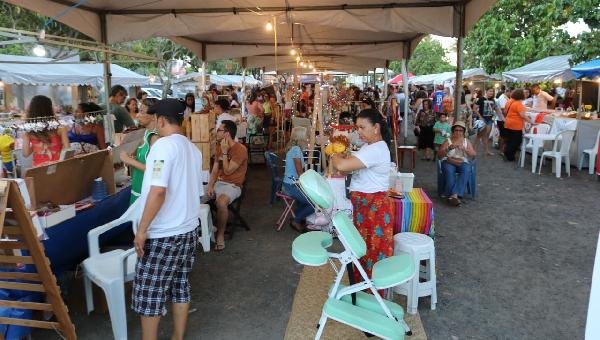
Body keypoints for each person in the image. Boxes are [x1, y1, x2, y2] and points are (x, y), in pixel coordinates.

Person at [132, 98, 203, 340]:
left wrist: (142, 230)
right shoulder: (192, 149)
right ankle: (177, 337)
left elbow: (158, 191)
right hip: (188, 229)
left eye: (154, 119)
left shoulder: (162, 147)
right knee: (180, 285)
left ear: (161, 120)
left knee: (150, 293)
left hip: (164, 233)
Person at [331, 108, 394, 282]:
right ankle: (363, 290)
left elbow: (342, 166)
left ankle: (371, 295)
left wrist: (334, 150)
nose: (358, 131)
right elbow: (348, 166)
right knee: (363, 252)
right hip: (367, 209)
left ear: (376, 128)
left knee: (372, 254)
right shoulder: (370, 146)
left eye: (361, 127)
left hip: (374, 210)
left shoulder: (377, 149)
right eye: (357, 127)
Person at [207, 120, 248, 251]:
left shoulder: (240, 149)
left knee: (221, 202)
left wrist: (224, 153)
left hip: (233, 185)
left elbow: (228, 170)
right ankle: (207, 228)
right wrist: (210, 185)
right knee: (195, 196)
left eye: (219, 130)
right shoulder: (220, 147)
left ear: (226, 134)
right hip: (219, 182)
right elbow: (214, 170)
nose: (216, 131)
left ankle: (220, 235)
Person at [121, 98, 160, 205]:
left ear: (153, 116)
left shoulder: (155, 138)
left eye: (142, 111)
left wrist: (129, 161)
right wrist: (135, 159)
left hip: (146, 194)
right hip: (138, 189)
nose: (137, 115)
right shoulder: (147, 133)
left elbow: (155, 172)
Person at [22, 95, 70, 167]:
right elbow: (67, 150)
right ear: (49, 109)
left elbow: (25, 154)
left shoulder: (28, 130)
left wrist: (38, 144)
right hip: (57, 168)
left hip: (38, 170)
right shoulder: (60, 127)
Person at [437, 121, 476, 206]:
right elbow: (439, 156)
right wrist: (448, 149)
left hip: (462, 162)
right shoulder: (448, 141)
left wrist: (465, 149)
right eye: (456, 130)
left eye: (460, 130)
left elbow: (473, 155)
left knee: (466, 170)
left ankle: (453, 195)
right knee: (449, 171)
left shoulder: (466, 141)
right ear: (453, 131)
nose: (458, 132)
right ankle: (455, 196)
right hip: (449, 161)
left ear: (464, 131)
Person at [282, 127, 313, 232]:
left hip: (290, 184)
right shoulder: (296, 150)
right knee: (314, 203)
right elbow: (300, 173)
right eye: (306, 136)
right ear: (301, 137)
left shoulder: (294, 148)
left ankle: (299, 217)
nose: (307, 138)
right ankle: (297, 219)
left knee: (307, 199)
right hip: (291, 185)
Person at [503, 89, 533, 161]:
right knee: (516, 141)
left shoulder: (509, 101)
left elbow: (504, 111)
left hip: (508, 123)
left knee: (510, 140)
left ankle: (507, 154)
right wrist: (531, 121)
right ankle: (510, 156)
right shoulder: (518, 103)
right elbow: (522, 115)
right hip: (515, 125)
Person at [475, 88, 502, 156]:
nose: (491, 93)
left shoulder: (493, 100)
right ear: (486, 91)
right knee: (479, 136)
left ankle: (487, 151)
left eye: (492, 91)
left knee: (486, 136)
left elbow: (497, 110)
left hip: (489, 120)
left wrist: (502, 118)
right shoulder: (481, 99)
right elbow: (474, 109)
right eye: (490, 91)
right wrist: (480, 117)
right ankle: (473, 150)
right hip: (482, 120)